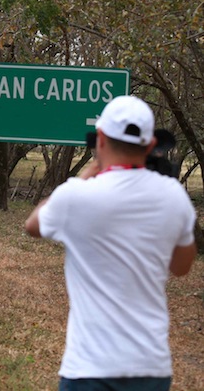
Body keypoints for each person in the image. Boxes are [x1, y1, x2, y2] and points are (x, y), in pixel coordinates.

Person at [25, 95, 197, 391]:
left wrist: (86, 175)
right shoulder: (174, 196)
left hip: (90, 368)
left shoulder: (76, 196)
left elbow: (33, 225)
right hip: (150, 367)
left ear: (100, 138)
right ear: (151, 146)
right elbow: (181, 267)